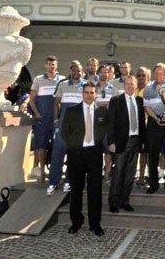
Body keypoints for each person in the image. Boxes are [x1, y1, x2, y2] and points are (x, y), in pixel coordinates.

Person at [61, 82, 107, 236]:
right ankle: (76, 222)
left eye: (92, 92)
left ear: (96, 94)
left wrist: (97, 143)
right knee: (76, 191)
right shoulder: (72, 111)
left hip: (94, 155)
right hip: (76, 156)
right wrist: (75, 147)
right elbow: (65, 133)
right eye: (86, 92)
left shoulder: (102, 112)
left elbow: (105, 130)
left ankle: (95, 223)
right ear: (82, 93)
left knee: (95, 191)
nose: (89, 95)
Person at [107, 75, 147, 212]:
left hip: (136, 141)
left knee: (130, 172)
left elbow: (142, 123)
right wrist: (111, 142)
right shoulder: (116, 100)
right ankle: (113, 201)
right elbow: (110, 122)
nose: (130, 86)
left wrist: (143, 141)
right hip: (120, 142)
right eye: (128, 84)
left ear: (136, 86)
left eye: (132, 84)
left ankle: (124, 200)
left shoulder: (140, 101)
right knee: (118, 171)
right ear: (124, 85)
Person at [46, 60, 84, 196]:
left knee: (74, 156)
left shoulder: (86, 86)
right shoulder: (62, 85)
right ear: (70, 71)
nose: (76, 72)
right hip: (62, 126)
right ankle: (53, 182)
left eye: (78, 70)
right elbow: (56, 104)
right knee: (57, 155)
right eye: (74, 70)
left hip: (78, 128)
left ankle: (68, 181)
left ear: (82, 72)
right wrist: (56, 121)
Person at [28, 55, 64, 182]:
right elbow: (31, 99)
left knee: (57, 147)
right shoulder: (38, 79)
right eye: (49, 64)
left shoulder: (62, 80)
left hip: (56, 120)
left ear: (56, 65)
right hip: (42, 120)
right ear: (45, 65)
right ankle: (42, 172)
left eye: (53, 64)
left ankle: (55, 173)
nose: (51, 66)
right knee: (41, 146)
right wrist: (37, 113)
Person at [143, 63, 165, 195]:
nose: (158, 75)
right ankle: (153, 184)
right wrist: (156, 118)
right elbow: (146, 106)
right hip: (153, 121)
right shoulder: (148, 87)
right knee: (153, 155)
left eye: (161, 73)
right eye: (156, 73)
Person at [135, 66, 151, 188]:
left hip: (148, 126)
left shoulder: (151, 90)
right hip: (135, 127)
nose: (141, 78)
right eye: (139, 75)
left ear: (148, 77)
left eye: (143, 75)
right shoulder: (132, 90)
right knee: (139, 152)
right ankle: (139, 177)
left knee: (147, 153)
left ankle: (147, 177)